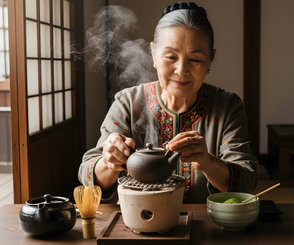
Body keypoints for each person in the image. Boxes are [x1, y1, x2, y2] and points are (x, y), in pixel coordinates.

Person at [78, 2, 258, 203]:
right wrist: (109, 161)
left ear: (210, 60)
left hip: (208, 226)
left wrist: (207, 162)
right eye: (171, 56)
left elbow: (247, 181)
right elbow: (87, 176)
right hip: (137, 224)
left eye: (195, 59)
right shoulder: (127, 102)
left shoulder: (228, 106)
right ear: (154, 54)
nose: (181, 70)